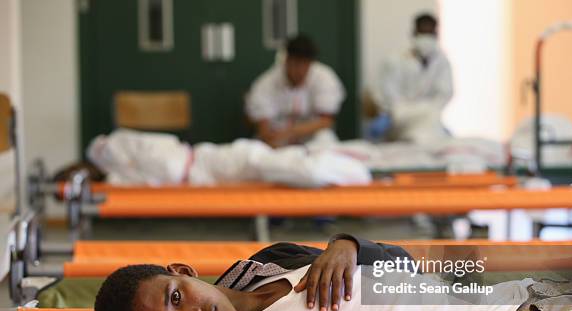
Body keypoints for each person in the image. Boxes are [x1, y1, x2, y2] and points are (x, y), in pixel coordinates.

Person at [93, 234, 572, 311]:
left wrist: (350, 245)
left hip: (514, 293)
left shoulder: (272, 260)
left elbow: (403, 263)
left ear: (183, 270)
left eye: (177, 299)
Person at [78, 128, 371, 188]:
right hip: (204, 174)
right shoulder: (116, 176)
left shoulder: (110, 146)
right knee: (272, 167)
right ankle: (330, 162)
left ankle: (343, 166)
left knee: (266, 163)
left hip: (209, 161)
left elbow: (163, 155)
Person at [246, 34, 346, 148]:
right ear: (287, 60)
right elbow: (264, 129)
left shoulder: (325, 77)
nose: (301, 70)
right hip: (278, 136)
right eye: (297, 64)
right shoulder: (266, 83)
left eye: (306, 64)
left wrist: (293, 131)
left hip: (310, 137)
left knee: (325, 138)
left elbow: (326, 121)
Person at [370, 13, 453, 146]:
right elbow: (385, 92)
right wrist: (398, 112)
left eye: (430, 33)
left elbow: (445, 92)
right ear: (414, 33)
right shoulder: (395, 60)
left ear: (436, 34)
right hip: (400, 117)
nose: (426, 38)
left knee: (431, 137)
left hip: (430, 116)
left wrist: (428, 109)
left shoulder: (442, 62)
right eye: (422, 32)